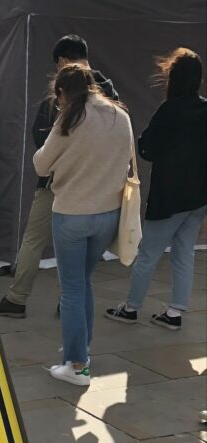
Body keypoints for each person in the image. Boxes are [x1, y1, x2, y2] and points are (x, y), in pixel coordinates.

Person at [0, 35, 120, 318]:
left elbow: (41, 138)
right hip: (100, 188)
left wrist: (54, 163)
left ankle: (17, 298)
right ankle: (69, 302)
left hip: (56, 184)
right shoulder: (110, 93)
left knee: (34, 239)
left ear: (61, 61)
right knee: (82, 256)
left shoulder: (64, 89)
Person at [34, 65, 132, 386]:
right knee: (84, 281)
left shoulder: (70, 119)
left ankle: (78, 366)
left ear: (62, 92)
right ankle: (81, 349)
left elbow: (41, 163)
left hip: (72, 213)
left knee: (72, 288)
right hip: (109, 213)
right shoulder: (121, 115)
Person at [106, 48, 206, 332]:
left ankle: (131, 308)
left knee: (148, 253)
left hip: (169, 197)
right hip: (198, 198)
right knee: (185, 253)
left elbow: (147, 148)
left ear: (173, 79)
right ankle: (175, 312)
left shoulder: (168, 111)